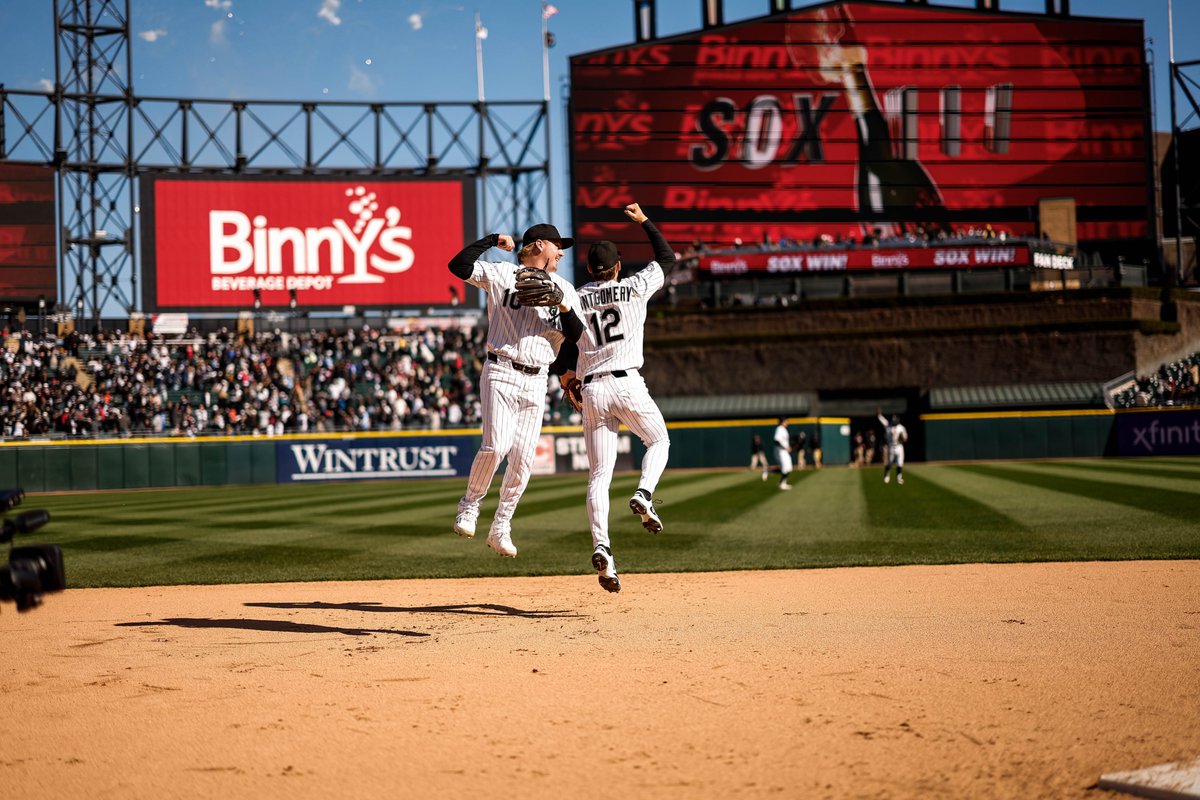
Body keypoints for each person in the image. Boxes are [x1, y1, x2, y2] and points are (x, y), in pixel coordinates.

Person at [446, 223, 584, 558]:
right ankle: (469, 506)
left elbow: (577, 334)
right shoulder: (502, 274)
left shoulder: (565, 288)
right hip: (501, 369)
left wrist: (563, 307)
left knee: (522, 460)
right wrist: (492, 241)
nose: (561, 253)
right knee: (497, 446)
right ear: (539, 245)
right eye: (556, 246)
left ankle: (501, 525)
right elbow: (458, 266)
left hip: (538, 381)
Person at [570, 202, 674, 593]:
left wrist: (570, 378)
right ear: (617, 266)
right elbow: (667, 257)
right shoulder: (634, 285)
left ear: (590, 270)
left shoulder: (577, 297)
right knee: (659, 440)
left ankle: (603, 548)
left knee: (599, 475)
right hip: (627, 381)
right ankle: (644, 493)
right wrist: (645, 221)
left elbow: (564, 339)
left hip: (592, 387)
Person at [877, 409, 908, 485]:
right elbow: (882, 420)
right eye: (894, 420)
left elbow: (905, 438)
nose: (895, 421)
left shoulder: (901, 427)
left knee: (900, 463)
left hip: (899, 447)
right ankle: (887, 474)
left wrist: (903, 438)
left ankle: (899, 477)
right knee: (889, 462)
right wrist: (879, 415)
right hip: (890, 446)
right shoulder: (888, 425)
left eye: (896, 420)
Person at [773, 417, 793, 491]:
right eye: (786, 421)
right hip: (780, 451)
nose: (787, 422)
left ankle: (782, 482)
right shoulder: (780, 429)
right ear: (783, 421)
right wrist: (785, 447)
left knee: (789, 468)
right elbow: (776, 440)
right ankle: (782, 484)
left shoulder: (784, 429)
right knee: (785, 468)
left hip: (784, 451)